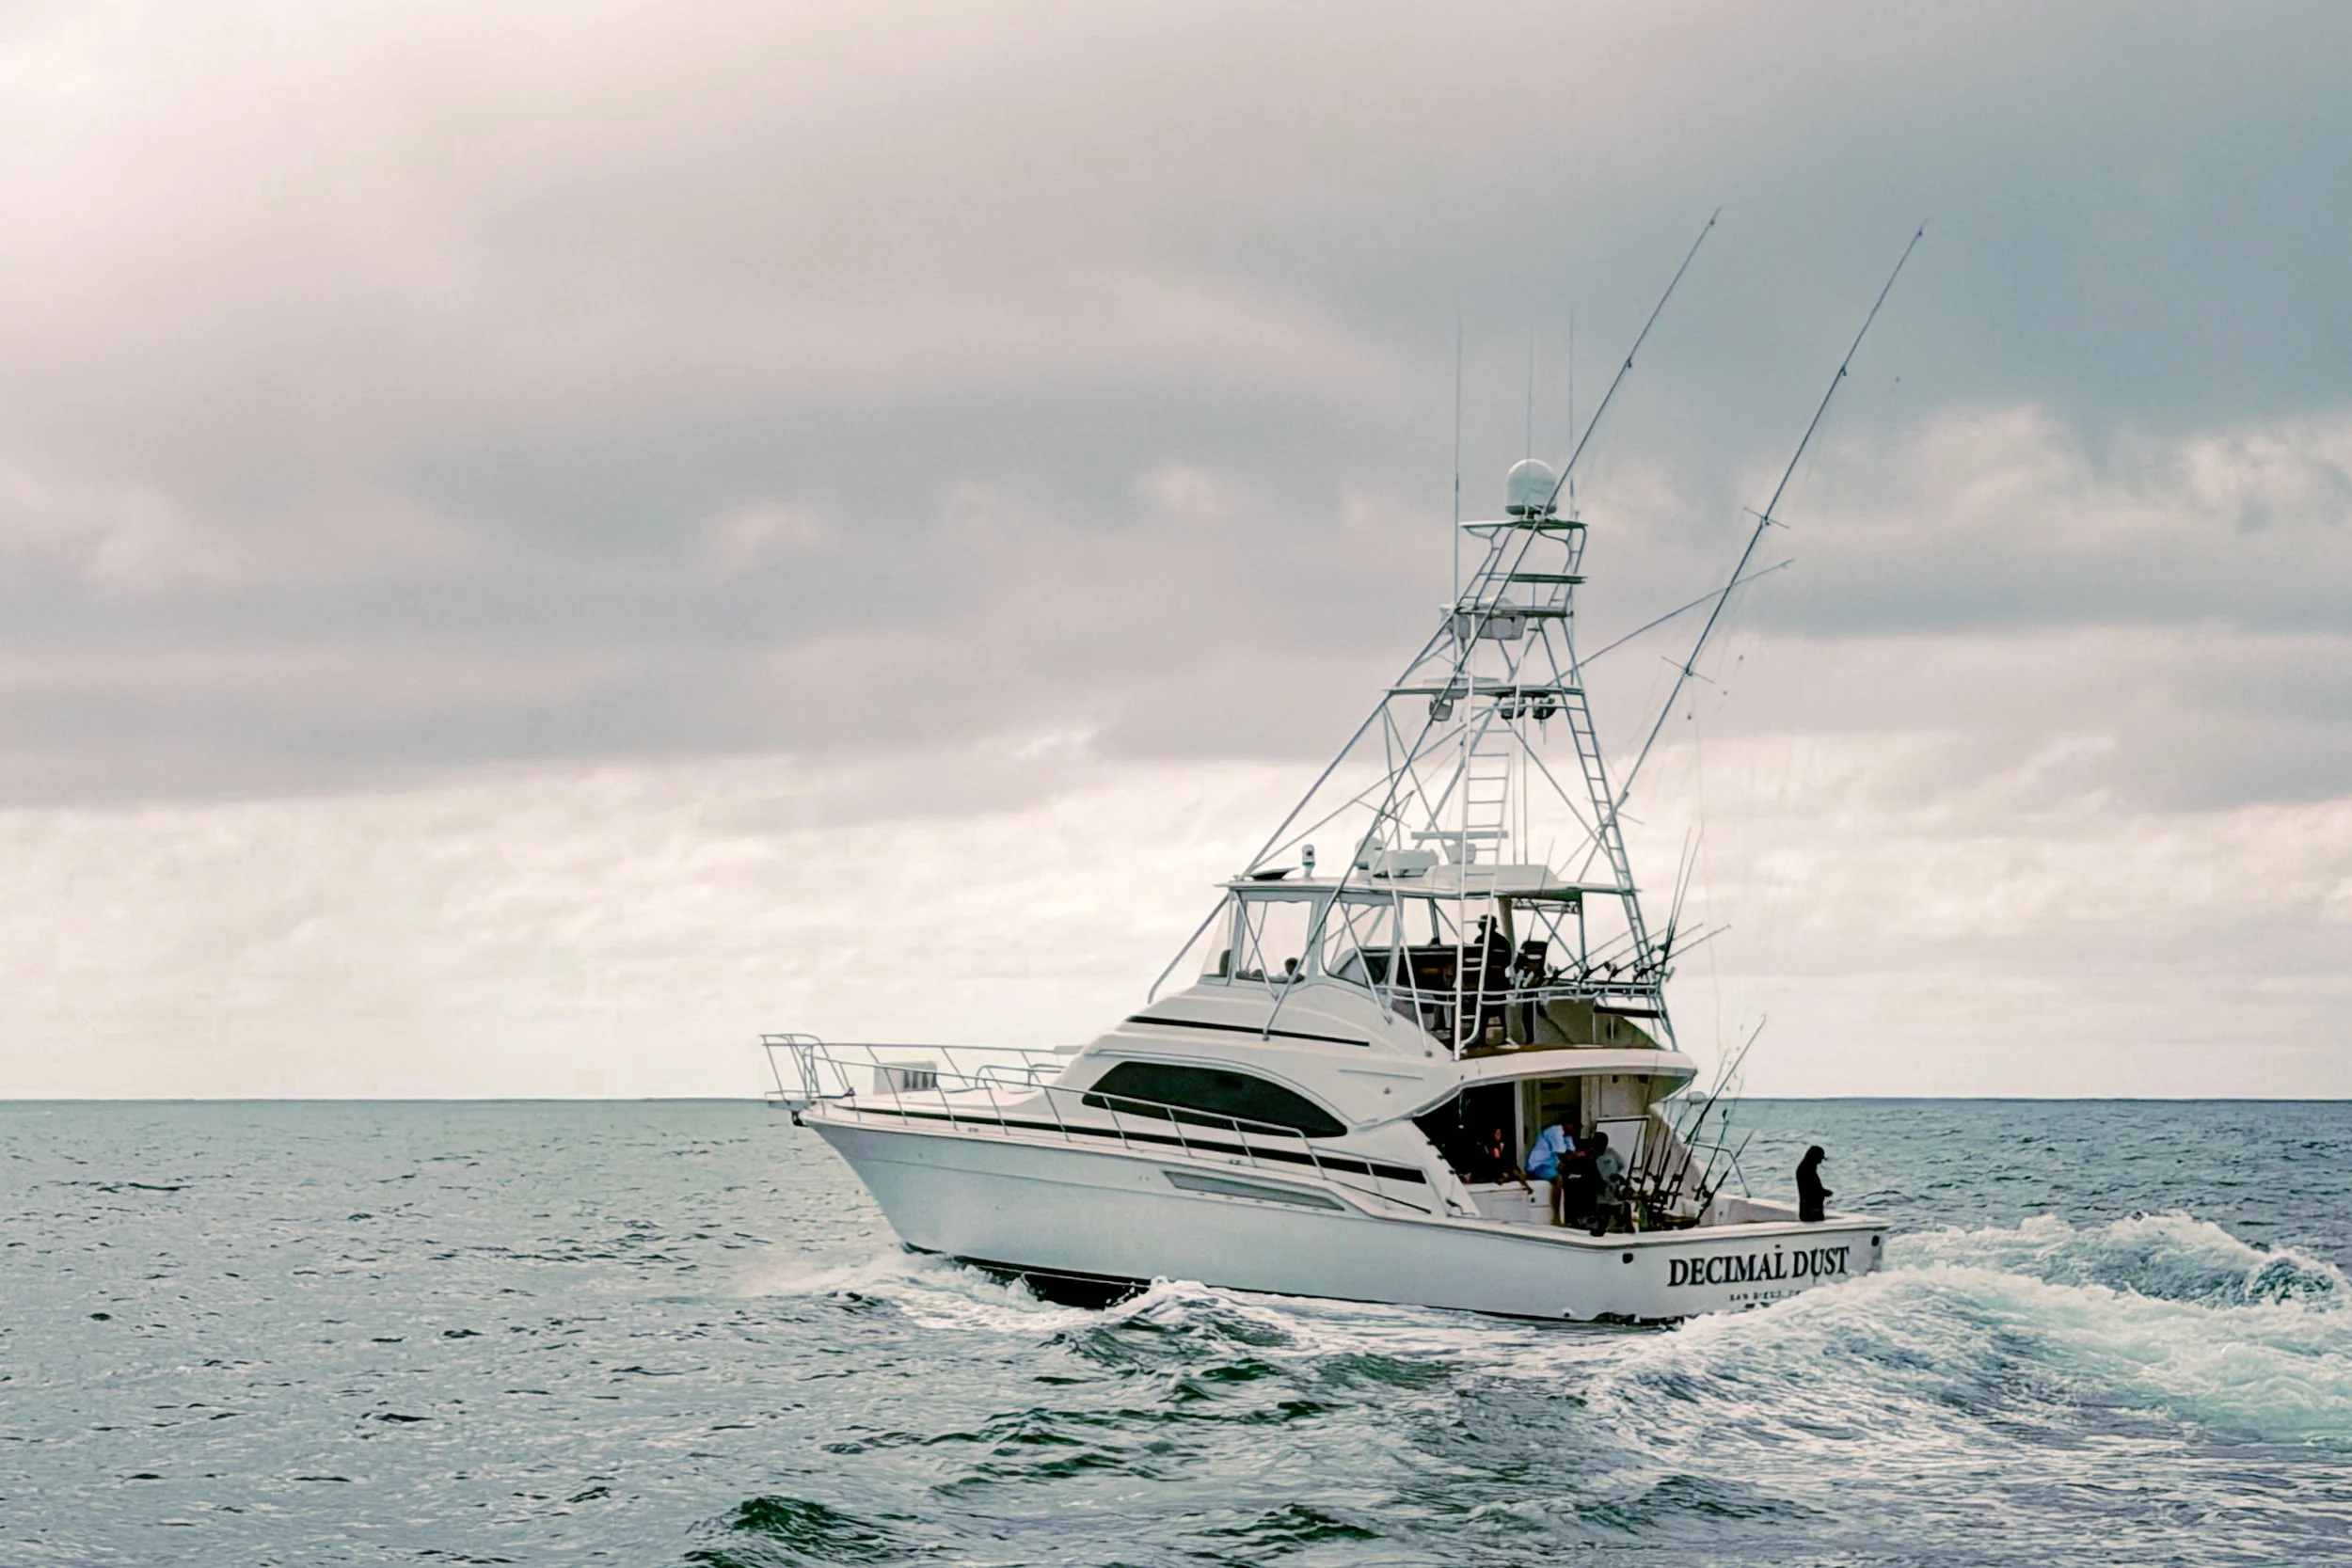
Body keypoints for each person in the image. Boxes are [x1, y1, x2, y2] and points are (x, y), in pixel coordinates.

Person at [1524, 1111, 1578, 1225]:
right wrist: (1576, 1155)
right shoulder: (1555, 1131)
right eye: (1573, 1126)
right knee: (1558, 1180)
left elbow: (1571, 1154)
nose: (1574, 1129)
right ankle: (1556, 1216)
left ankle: (1570, 1215)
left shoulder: (1568, 1135)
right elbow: (1563, 1155)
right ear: (1566, 1124)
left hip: (1550, 1165)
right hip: (1538, 1165)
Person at [1584, 1129, 1627, 1236]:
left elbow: (1623, 1165)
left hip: (1613, 1185)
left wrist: (1616, 1176)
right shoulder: (1591, 1155)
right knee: (1602, 1208)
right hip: (1599, 1186)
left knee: (1615, 1206)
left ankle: (1620, 1225)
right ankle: (1600, 1227)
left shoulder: (1611, 1152)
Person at [1796, 1145, 1832, 1223]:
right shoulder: (1806, 1171)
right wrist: (1826, 1192)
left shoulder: (1805, 1169)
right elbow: (1813, 1190)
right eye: (1820, 1158)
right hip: (1811, 1210)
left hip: (1809, 1209)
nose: (1820, 1162)